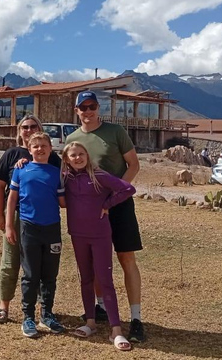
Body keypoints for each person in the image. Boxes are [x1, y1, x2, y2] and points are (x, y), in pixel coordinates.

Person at [65, 90, 145, 343]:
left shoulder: (116, 132)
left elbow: (134, 164)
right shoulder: (73, 138)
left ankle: (135, 318)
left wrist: (114, 198)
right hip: (91, 211)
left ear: (98, 108)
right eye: (83, 107)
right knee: (94, 262)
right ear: (76, 110)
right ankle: (99, 308)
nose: (88, 111)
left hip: (118, 207)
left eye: (92, 106)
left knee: (126, 258)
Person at [63, 141, 136, 352]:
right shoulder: (65, 178)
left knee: (105, 280)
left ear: (87, 156)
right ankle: (91, 323)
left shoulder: (98, 175)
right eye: (73, 155)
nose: (78, 158)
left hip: (100, 235)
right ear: (67, 159)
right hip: (77, 235)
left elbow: (128, 188)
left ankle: (116, 329)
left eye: (81, 154)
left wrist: (107, 205)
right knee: (85, 278)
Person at [0, 115, 62, 325]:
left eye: (33, 127)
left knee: (40, 265)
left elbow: (63, 181)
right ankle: (4, 307)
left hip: (43, 219)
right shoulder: (12, 154)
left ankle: (43, 310)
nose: (29, 130)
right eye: (25, 127)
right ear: (19, 131)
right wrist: (0, 216)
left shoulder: (51, 158)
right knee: (11, 262)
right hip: (17, 216)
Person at [5, 132, 65, 338]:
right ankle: (28, 317)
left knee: (50, 274)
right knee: (30, 275)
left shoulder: (57, 173)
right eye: (35, 146)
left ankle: (47, 315)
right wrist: (8, 226)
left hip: (52, 229)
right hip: (28, 227)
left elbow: (64, 202)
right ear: (29, 150)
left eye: (43, 145)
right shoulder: (21, 170)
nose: (40, 149)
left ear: (51, 148)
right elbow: (12, 199)